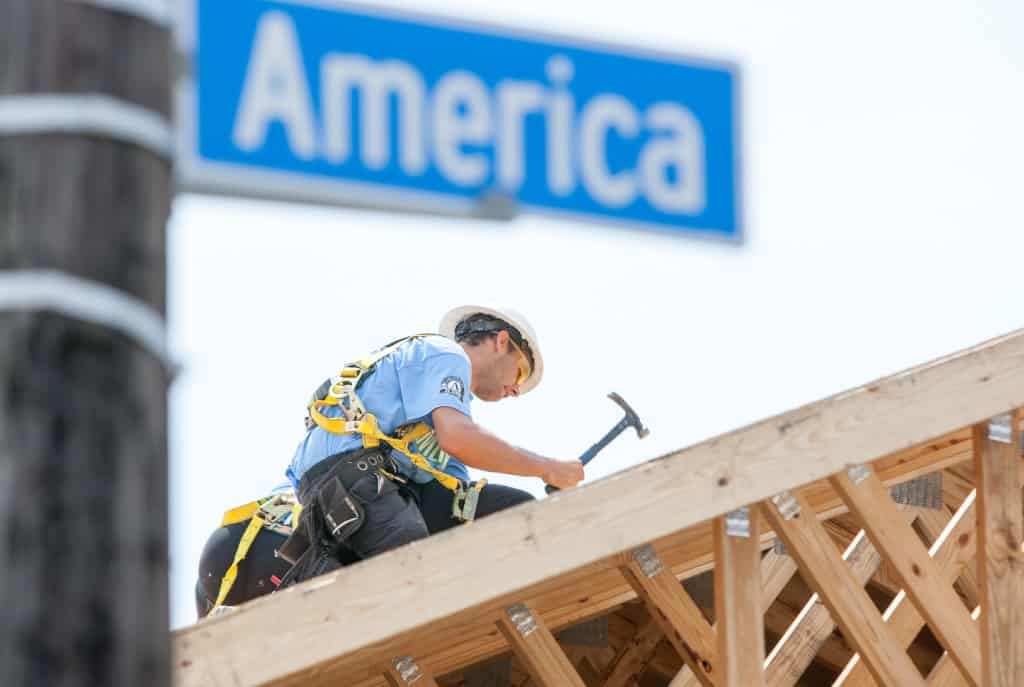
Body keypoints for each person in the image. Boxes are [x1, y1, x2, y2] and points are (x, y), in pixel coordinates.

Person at [281, 305, 584, 583]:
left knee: (511, 510)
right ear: (501, 341)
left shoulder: (441, 409)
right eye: (522, 372)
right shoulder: (446, 354)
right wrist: (548, 468)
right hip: (352, 478)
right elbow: (460, 438)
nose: (517, 390)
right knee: (418, 574)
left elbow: (457, 493)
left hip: (367, 485)